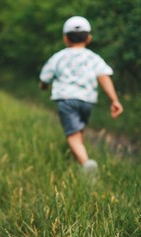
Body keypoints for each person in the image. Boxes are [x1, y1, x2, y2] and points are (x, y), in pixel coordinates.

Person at [39, 16, 123, 172]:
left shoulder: (58, 57)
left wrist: (43, 86)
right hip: (87, 101)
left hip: (67, 100)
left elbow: (45, 77)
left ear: (65, 39)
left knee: (72, 136)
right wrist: (114, 100)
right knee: (78, 133)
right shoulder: (93, 57)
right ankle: (76, 163)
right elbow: (104, 77)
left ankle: (86, 165)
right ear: (89, 38)